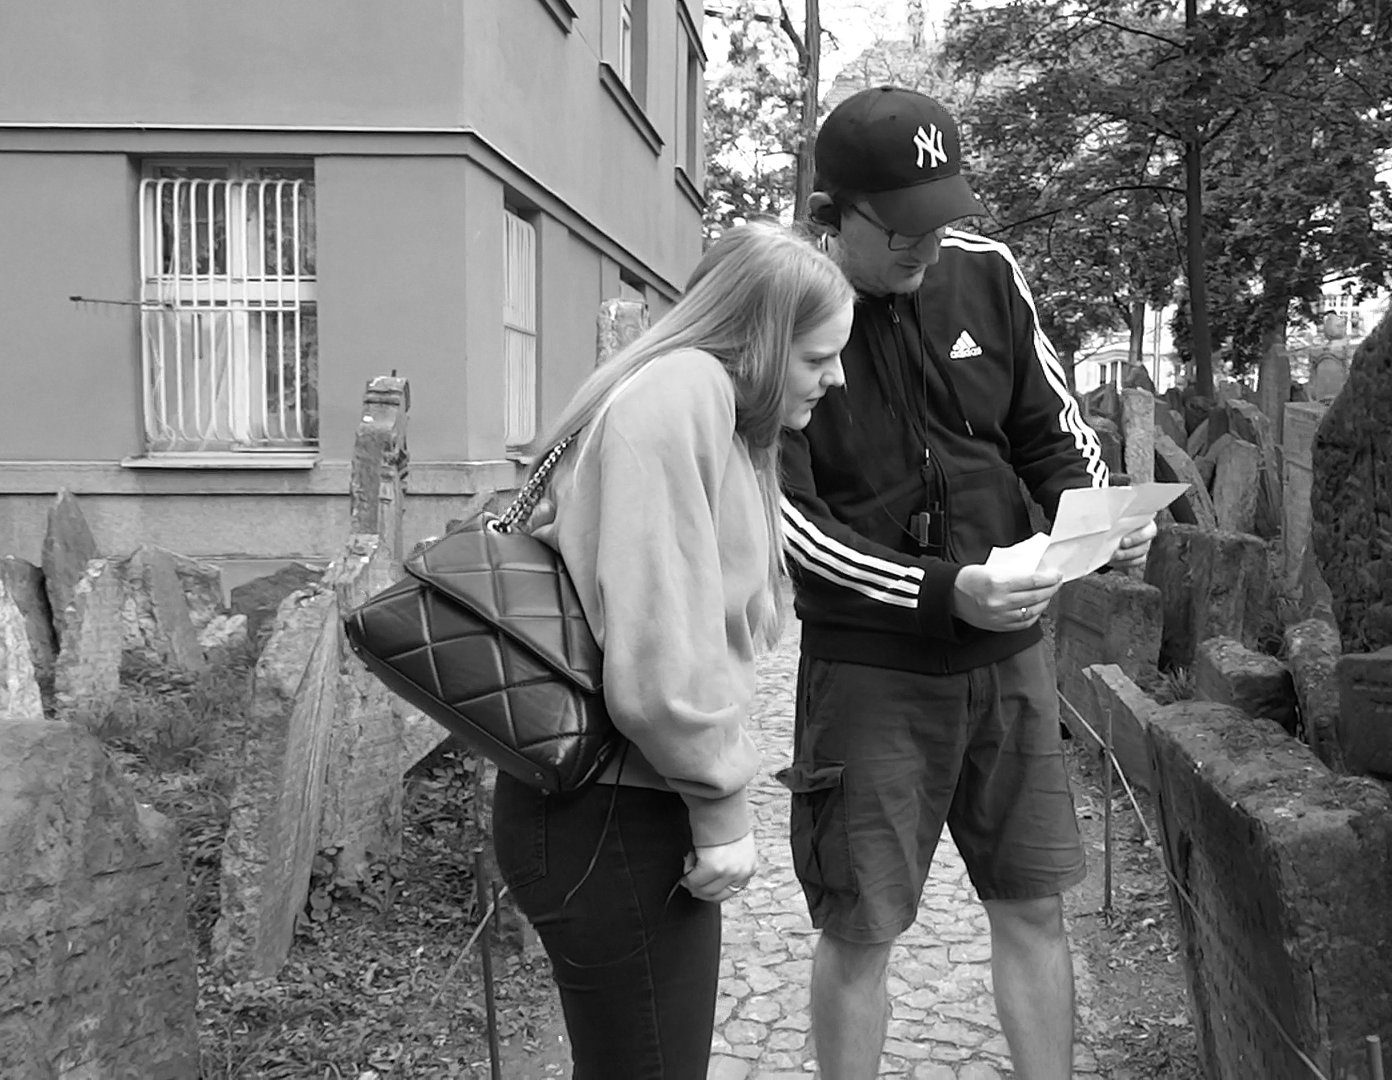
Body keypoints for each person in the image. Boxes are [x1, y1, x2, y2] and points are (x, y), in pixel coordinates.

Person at [778, 86, 1156, 1079]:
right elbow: (790, 524)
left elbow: (1053, 428)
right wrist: (943, 593)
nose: (930, 246)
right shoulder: (781, 309)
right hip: (871, 673)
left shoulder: (986, 271)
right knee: (861, 931)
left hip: (1010, 658)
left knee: (1034, 906)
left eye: (942, 218)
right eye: (904, 228)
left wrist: (1097, 520)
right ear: (833, 215)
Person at [492, 222, 853, 1079]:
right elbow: (660, 647)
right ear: (760, 342)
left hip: (607, 804)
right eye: (817, 357)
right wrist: (721, 810)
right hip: (614, 813)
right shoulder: (682, 393)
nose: (837, 377)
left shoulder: (697, 400)